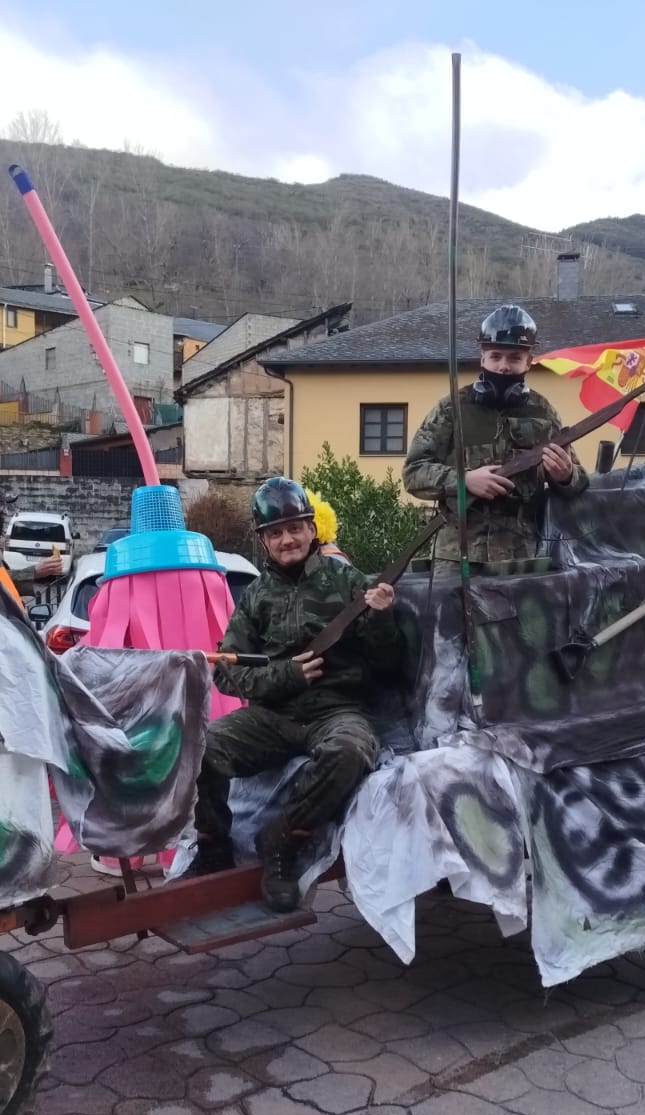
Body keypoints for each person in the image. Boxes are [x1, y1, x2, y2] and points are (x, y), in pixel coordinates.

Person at [185, 477, 400, 912]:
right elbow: (228, 671)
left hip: (337, 711)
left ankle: (284, 842)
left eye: (295, 528)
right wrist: (285, 676)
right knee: (198, 747)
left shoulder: (347, 580)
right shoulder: (257, 597)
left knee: (351, 750)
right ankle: (214, 847)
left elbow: (391, 664)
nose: (287, 539)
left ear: (312, 529)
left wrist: (379, 619)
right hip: (273, 717)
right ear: (263, 541)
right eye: (276, 533)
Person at [403, 304, 589, 568]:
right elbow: (413, 473)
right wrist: (464, 480)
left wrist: (565, 475)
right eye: (496, 356)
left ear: (529, 361)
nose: (503, 366)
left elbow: (579, 481)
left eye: (514, 357)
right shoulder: (451, 408)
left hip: (523, 558)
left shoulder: (543, 412)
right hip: (457, 560)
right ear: (482, 358)